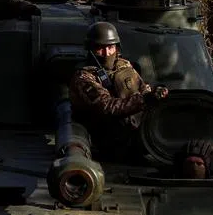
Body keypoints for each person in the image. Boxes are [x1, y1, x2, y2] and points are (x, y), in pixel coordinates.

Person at [70, 22, 167, 158]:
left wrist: (155, 93)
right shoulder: (84, 77)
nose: (107, 53)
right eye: (100, 48)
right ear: (91, 49)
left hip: (137, 131)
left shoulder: (123, 65)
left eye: (110, 47)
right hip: (107, 141)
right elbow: (107, 107)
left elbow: (142, 88)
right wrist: (144, 100)